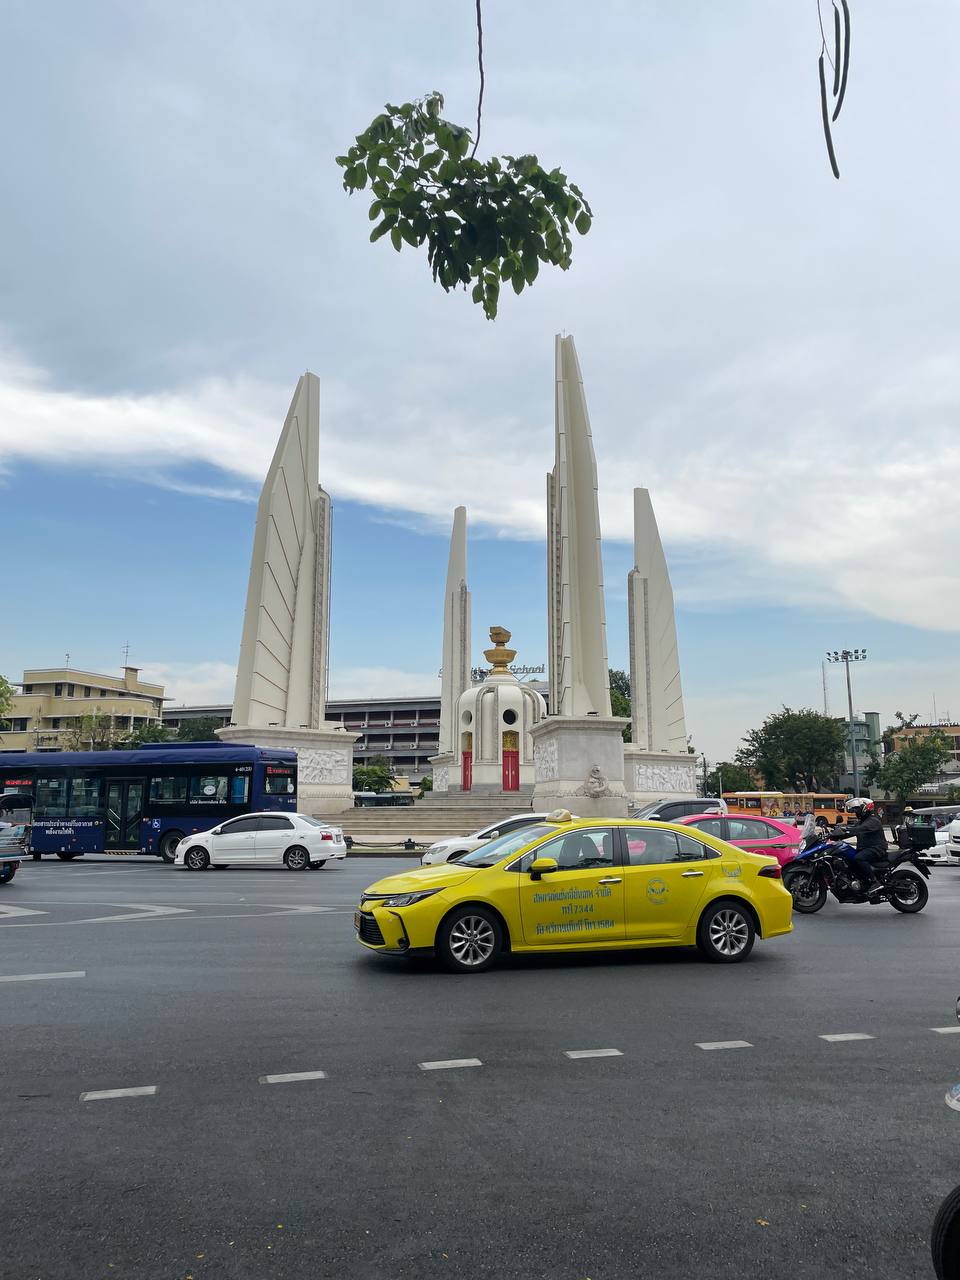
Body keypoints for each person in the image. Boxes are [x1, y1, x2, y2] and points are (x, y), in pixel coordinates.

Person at [841, 797, 888, 895]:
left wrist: (846, 830)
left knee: (859, 858)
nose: (855, 812)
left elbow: (860, 829)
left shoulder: (873, 821)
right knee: (848, 857)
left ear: (864, 808)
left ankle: (875, 882)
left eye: (856, 809)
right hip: (866, 848)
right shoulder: (861, 822)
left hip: (877, 848)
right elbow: (853, 829)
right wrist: (834, 834)